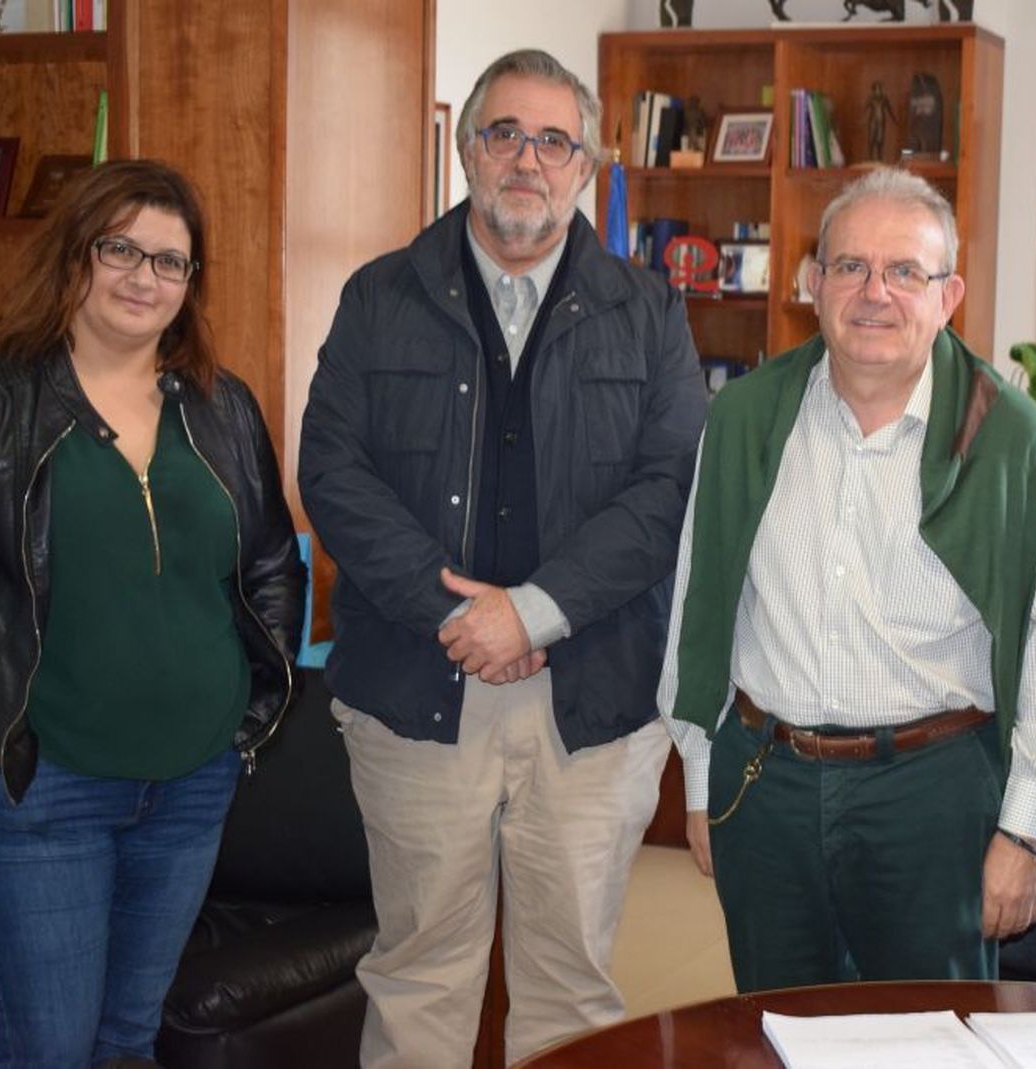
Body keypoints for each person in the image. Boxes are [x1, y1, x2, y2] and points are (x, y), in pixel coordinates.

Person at [298, 49, 706, 1067]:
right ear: (470, 150)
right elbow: (333, 471)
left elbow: (668, 489)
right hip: (416, 686)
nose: (527, 159)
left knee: (571, 987)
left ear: (588, 167)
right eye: (505, 133)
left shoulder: (647, 312)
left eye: (553, 140)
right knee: (419, 976)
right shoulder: (378, 296)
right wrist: (456, 614)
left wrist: (535, 609)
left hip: (593, 701)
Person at [0, 159, 305, 1066]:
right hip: (41, 785)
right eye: (123, 250)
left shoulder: (223, 409)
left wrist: (253, 713)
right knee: (51, 1047)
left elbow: (269, 563)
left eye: (171, 262)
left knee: (128, 1041)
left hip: (192, 783)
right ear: (77, 255)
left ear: (191, 284)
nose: (145, 278)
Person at [657, 167, 1036, 993]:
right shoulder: (746, 418)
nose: (875, 292)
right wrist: (699, 780)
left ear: (949, 295)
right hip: (767, 784)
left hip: (932, 799)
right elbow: (702, 603)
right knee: (775, 1033)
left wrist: (1024, 832)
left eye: (906, 271)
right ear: (814, 283)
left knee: (932, 1042)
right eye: (850, 266)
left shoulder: (1014, 447)